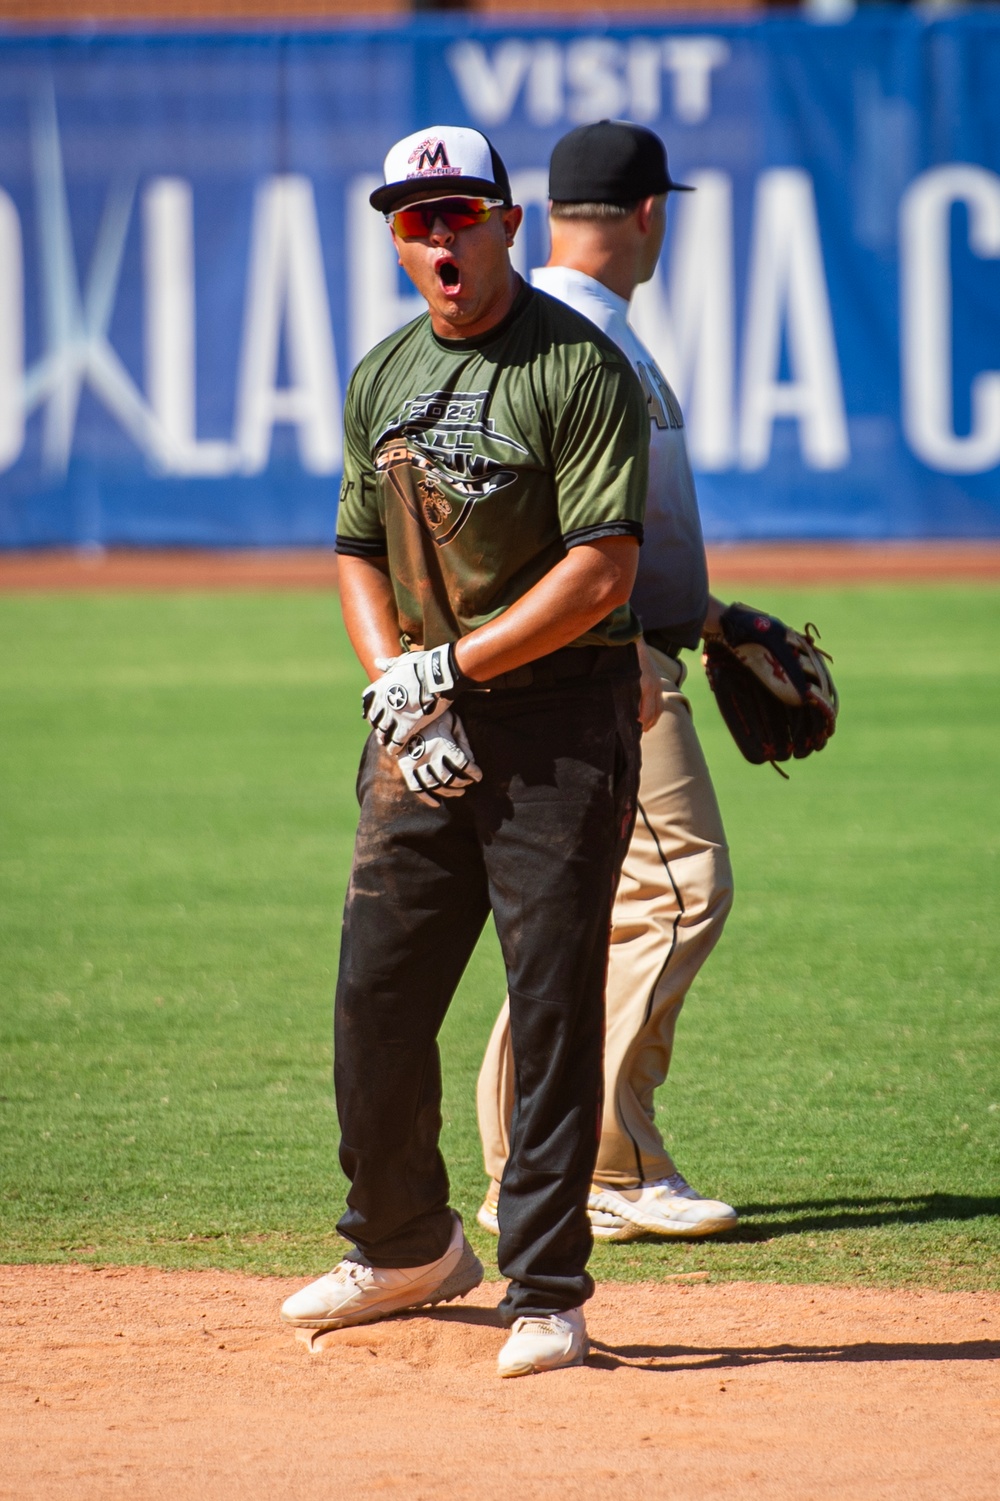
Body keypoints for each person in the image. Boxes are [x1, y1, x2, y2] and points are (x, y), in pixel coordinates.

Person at [279, 125, 649, 1378]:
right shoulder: (382, 374)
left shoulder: (575, 367)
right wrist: (400, 685)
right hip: (421, 724)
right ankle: (403, 1244)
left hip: (556, 724)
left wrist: (455, 668)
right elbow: (354, 551)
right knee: (374, 996)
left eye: (458, 214)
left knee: (547, 1006)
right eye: (412, 219)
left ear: (504, 220)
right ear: (396, 237)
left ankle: (546, 1289)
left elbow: (602, 569)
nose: (437, 238)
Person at [476, 121, 740, 1245]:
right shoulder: (582, 340)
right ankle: (607, 1164)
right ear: (650, 214)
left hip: (608, 640)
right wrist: (630, 643)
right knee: (679, 884)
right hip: (605, 658)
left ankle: (521, 1168)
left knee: (580, 915)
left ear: (545, 214)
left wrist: (711, 619)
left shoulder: (556, 328)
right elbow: (532, 517)